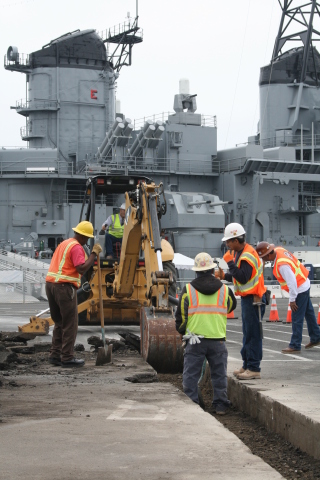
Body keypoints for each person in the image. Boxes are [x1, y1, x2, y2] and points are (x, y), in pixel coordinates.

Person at [175, 252, 237, 414]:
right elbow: (230, 306)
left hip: (195, 339)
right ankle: (221, 405)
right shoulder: (224, 290)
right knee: (219, 375)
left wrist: (183, 332)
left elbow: (181, 316)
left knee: (191, 374)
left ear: (196, 271)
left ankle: (192, 404)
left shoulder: (188, 289)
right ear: (212, 270)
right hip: (218, 339)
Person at [46, 221, 102, 368]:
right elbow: (81, 268)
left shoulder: (65, 243)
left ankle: (55, 354)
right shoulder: (76, 247)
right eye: (87, 238)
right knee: (70, 324)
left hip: (51, 285)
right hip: (64, 288)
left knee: (59, 322)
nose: (87, 241)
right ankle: (67, 357)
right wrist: (94, 255)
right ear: (83, 237)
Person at [215, 223, 266, 380]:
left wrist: (229, 262)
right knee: (247, 333)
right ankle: (247, 364)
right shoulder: (240, 253)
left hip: (254, 299)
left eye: (229, 241)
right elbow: (240, 277)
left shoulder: (247, 255)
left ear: (236, 240)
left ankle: (254, 367)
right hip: (248, 298)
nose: (227, 244)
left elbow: (244, 276)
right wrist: (225, 277)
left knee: (253, 334)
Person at [256, 242, 320, 354]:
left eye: (263, 257)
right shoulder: (279, 250)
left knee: (296, 318)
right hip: (304, 283)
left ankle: (295, 345)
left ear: (268, 255)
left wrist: (292, 300)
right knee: (309, 314)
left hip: (299, 288)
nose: (263, 260)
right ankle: (316, 337)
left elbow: (292, 283)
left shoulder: (282, 265)